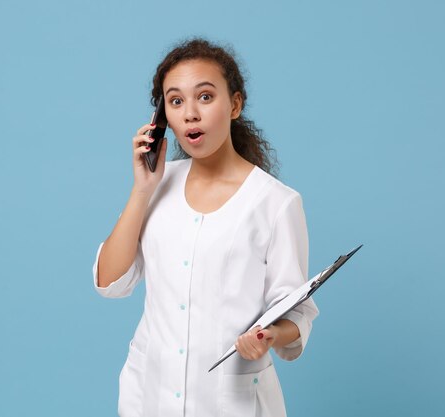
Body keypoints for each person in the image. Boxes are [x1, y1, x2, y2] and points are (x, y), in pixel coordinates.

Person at [93, 37, 319, 417]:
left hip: (233, 401)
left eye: (205, 97)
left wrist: (268, 337)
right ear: (162, 117)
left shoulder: (277, 203)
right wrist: (141, 190)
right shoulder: (157, 185)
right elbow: (109, 281)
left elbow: (296, 311)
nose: (190, 114)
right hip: (150, 397)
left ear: (235, 104)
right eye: (176, 101)